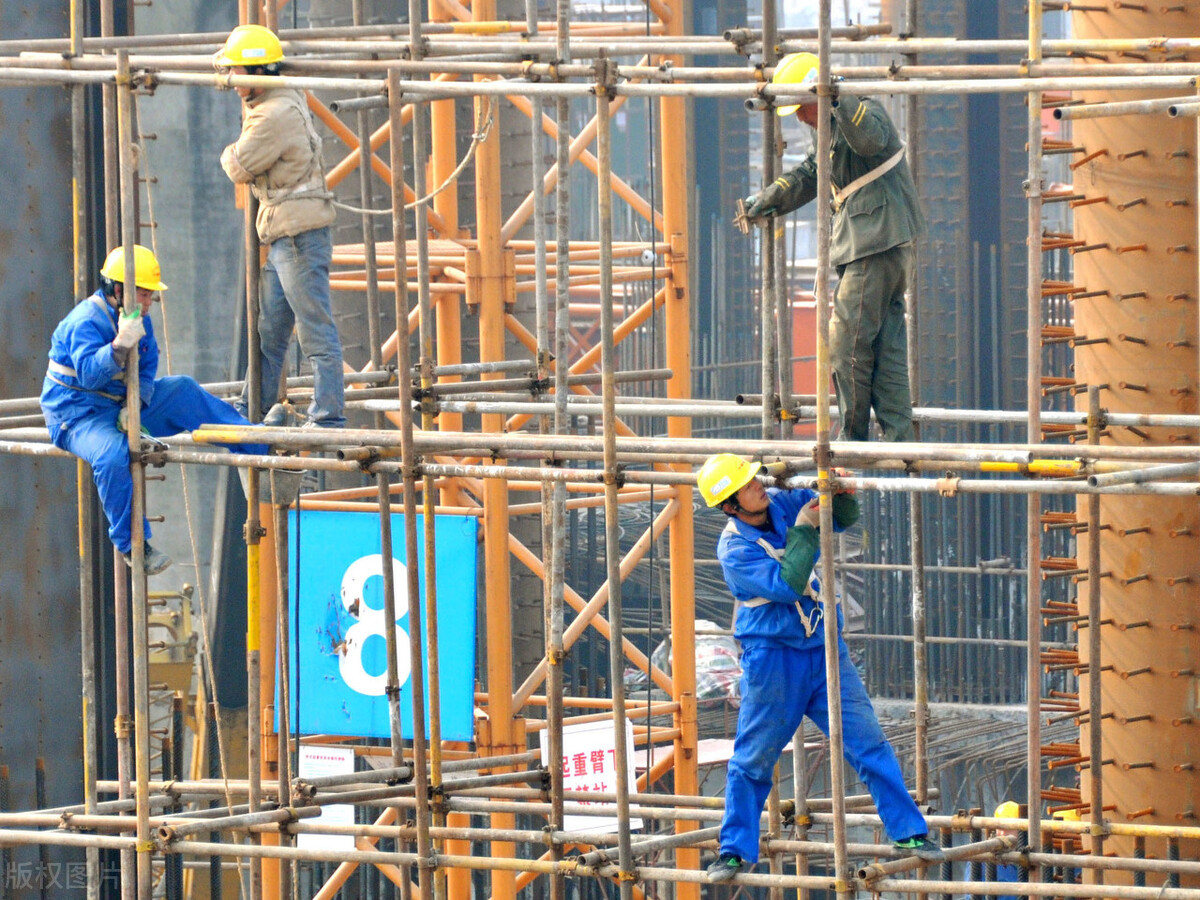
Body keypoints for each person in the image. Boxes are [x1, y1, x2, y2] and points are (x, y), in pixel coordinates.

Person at [696, 453, 943, 881]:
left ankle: (909, 831)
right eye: (746, 484)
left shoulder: (779, 501)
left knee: (868, 743)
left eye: (755, 476)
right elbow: (786, 582)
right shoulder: (734, 549)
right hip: (773, 660)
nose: (758, 483)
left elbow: (839, 517)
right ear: (730, 505)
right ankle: (734, 849)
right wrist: (807, 529)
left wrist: (842, 491)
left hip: (823, 649)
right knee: (753, 759)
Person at [41, 245, 269, 574]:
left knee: (183, 390)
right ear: (119, 290)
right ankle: (133, 546)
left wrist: (136, 406)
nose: (149, 303)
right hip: (76, 416)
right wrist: (119, 345)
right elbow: (90, 376)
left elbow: (147, 368)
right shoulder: (85, 322)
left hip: (120, 407)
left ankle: (259, 442)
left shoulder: (134, 319)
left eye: (150, 296)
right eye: (144, 295)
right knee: (110, 455)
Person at [744, 52, 925, 443]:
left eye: (802, 108)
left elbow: (869, 139)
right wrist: (772, 196)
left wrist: (838, 98)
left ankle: (854, 437)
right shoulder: (827, 124)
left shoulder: (859, 111)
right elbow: (814, 172)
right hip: (881, 240)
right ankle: (899, 436)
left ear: (820, 93)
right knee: (886, 343)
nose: (799, 118)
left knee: (846, 342)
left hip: (873, 240)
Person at [216, 24, 346, 429]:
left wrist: (229, 151)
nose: (235, 82)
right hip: (284, 235)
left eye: (240, 73)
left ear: (258, 73)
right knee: (269, 332)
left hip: (297, 237)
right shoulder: (287, 95)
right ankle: (251, 406)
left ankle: (327, 416)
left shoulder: (271, 116)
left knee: (314, 329)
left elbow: (236, 166)